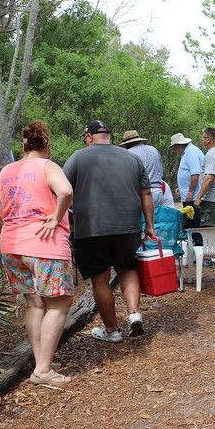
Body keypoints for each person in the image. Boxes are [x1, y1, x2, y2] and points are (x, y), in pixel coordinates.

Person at [0, 121, 74, 385]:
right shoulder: (48, 166)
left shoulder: (6, 171)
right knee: (59, 304)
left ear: (23, 145)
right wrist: (55, 218)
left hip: (12, 246)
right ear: (46, 146)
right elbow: (66, 191)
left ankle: (41, 363)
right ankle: (43, 370)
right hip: (44, 243)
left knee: (35, 303)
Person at [63, 120, 155, 343]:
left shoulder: (78, 157)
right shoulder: (132, 158)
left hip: (92, 228)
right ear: (108, 136)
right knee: (128, 269)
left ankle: (112, 330)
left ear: (89, 137)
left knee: (100, 279)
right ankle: (134, 314)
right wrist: (150, 225)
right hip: (128, 226)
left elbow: (62, 189)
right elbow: (146, 194)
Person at [121, 130, 164, 206]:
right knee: (155, 217)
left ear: (127, 144)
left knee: (142, 217)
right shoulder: (153, 149)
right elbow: (160, 171)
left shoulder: (129, 153)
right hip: (158, 191)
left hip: (142, 194)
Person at [170, 132, 204, 229]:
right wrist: (181, 187)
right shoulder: (189, 152)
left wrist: (190, 191)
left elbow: (195, 174)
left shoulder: (191, 153)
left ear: (179, 145)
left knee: (193, 224)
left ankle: (197, 243)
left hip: (192, 197)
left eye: (175, 148)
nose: (175, 150)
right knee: (190, 222)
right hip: (190, 196)